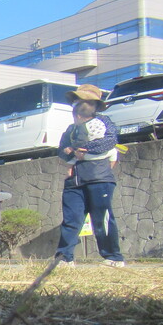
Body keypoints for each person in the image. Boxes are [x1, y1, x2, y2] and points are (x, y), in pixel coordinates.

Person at [54, 84, 126, 268]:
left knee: (102, 218)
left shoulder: (104, 121)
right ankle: (64, 257)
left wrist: (84, 151)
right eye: (77, 100)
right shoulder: (71, 128)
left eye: (83, 100)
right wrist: (71, 152)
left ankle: (113, 257)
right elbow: (61, 150)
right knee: (71, 220)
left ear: (94, 104)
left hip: (99, 178)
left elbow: (110, 141)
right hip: (74, 182)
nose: (78, 104)